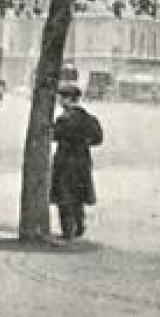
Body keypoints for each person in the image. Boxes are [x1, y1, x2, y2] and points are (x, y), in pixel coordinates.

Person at [51, 83, 103, 240]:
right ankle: (79, 226)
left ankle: (68, 231)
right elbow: (98, 139)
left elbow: (53, 136)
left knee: (64, 196)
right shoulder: (89, 119)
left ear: (67, 99)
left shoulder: (63, 120)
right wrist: (84, 142)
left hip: (65, 162)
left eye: (61, 98)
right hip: (83, 162)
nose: (59, 102)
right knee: (78, 196)